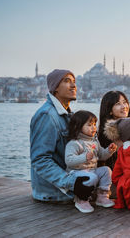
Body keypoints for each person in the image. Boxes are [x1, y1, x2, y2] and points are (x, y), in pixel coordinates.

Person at [30, 69, 94, 203]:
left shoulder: (68, 115)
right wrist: (73, 183)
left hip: (69, 185)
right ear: (55, 88)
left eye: (74, 82)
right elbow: (40, 160)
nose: (73, 85)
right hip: (55, 192)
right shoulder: (47, 116)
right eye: (66, 81)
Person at [65, 110, 117, 213]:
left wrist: (109, 151)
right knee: (91, 177)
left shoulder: (94, 141)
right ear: (78, 127)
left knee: (106, 170)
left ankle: (102, 196)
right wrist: (84, 157)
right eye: (89, 125)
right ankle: (81, 200)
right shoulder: (74, 143)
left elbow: (101, 156)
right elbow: (69, 160)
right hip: (76, 172)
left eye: (94, 124)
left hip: (91, 170)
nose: (93, 127)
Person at [97, 91, 130, 169]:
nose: (124, 106)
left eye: (125, 102)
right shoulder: (105, 135)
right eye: (118, 104)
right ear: (110, 110)